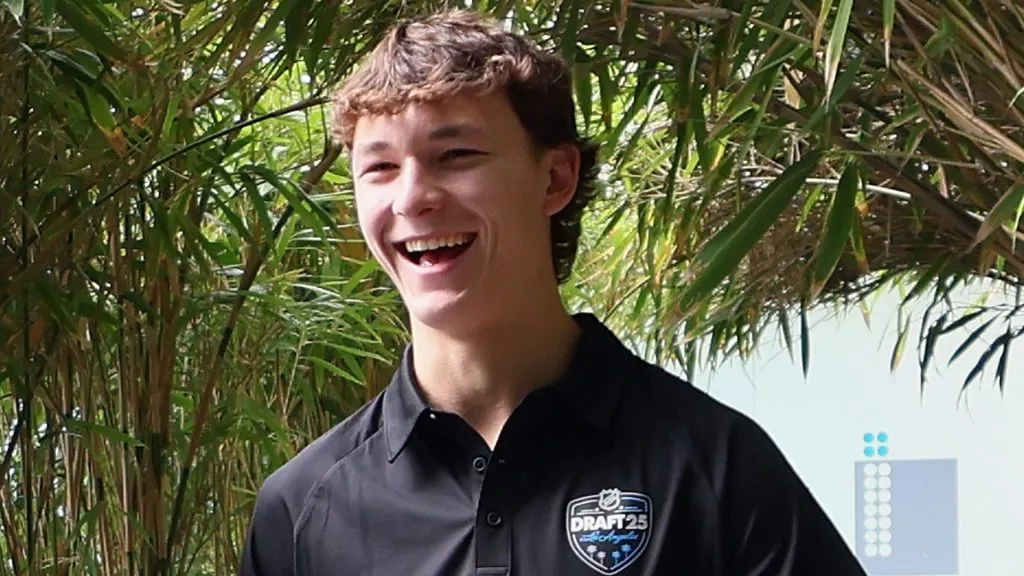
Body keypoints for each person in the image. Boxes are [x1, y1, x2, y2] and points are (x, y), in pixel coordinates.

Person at [239, 9, 867, 576]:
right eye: (379, 168)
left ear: (556, 177)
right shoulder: (303, 510)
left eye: (455, 154)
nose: (411, 198)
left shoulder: (714, 469)